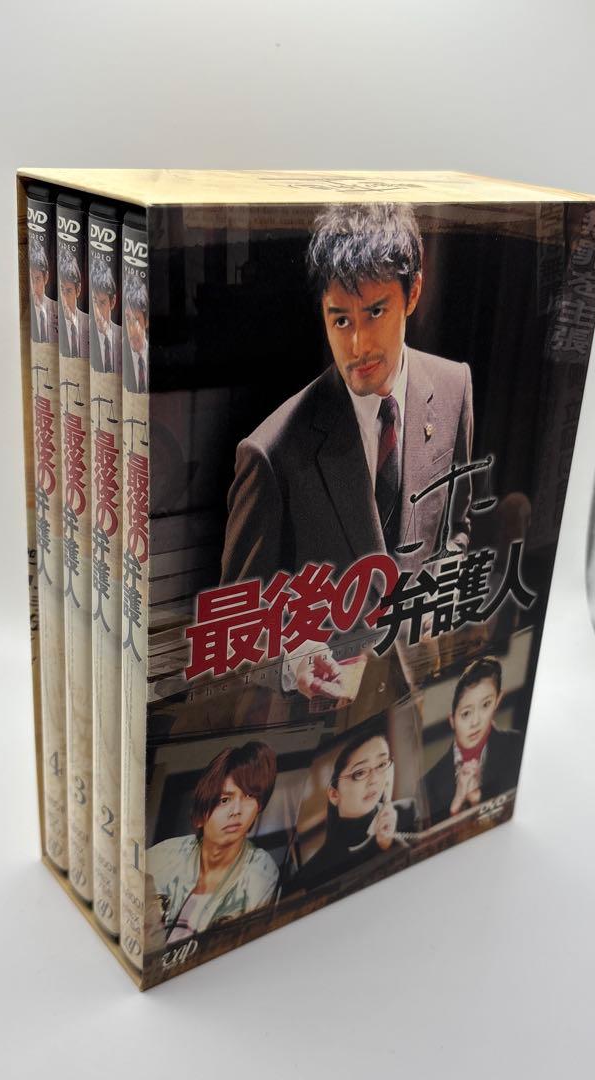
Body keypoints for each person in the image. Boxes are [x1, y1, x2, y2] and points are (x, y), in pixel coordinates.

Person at [221, 203, 474, 700]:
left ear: (413, 293)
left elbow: (456, 529)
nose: (358, 345)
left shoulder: (454, 387)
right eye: (340, 320)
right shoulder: (269, 453)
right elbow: (237, 625)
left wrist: (437, 597)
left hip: (423, 695)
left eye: (376, 312)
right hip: (325, 715)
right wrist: (292, 660)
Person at [144, 741, 279, 944]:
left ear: (259, 805)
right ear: (201, 815)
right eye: (224, 800)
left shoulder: (260, 872)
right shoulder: (162, 856)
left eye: (249, 796)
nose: (237, 811)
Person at [292, 723, 416, 894]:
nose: (375, 780)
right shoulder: (313, 872)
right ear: (334, 794)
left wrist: (390, 842)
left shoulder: (410, 812)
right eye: (360, 773)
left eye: (382, 765)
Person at [422, 656, 523, 825]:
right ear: (452, 720)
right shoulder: (427, 784)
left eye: (486, 705)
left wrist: (478, 799)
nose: (476, 721)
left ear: (498, 700)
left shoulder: (517, 745)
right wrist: (456, 805)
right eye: (466, 713)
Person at [89, 252, 122, 375]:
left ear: (112, 302)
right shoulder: (85, 332)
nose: (97, 312)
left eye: (102, 303)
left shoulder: (122, 338)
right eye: (95, 301)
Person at [57, 244, 90, 359]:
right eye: (62, 289)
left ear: (78, 290)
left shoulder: (87, 323)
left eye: (69, 291)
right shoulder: (54, 319)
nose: (64, 299)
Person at [28, 236, 57, 345]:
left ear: (46, 277)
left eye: (37, 279)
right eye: (31, 279)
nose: (34, 287)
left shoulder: (57, 308)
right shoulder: (27, 310)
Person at [123, 275, 149, 393]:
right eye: (128, 319)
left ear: (146, 321)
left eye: (137, 320)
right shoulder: (118, 352)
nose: (132, 330)